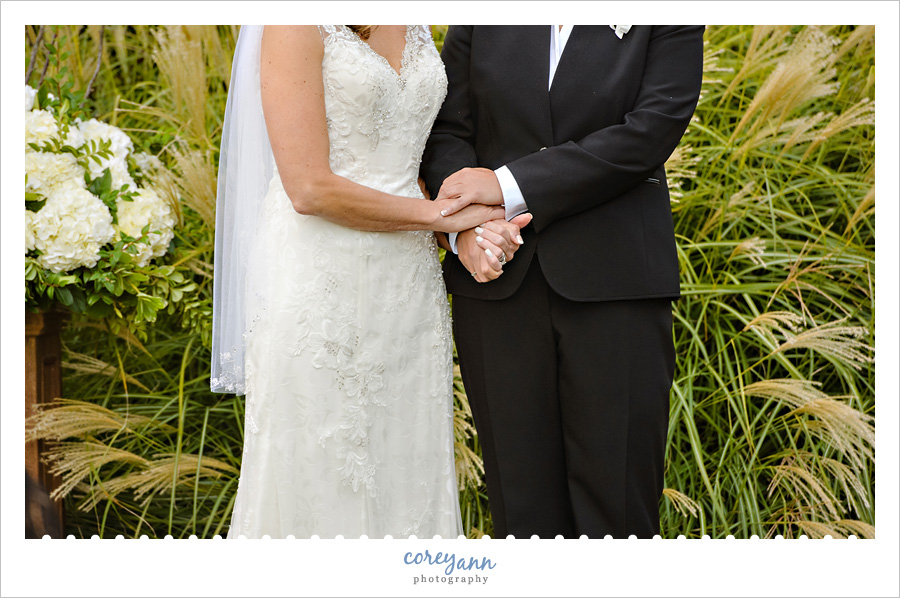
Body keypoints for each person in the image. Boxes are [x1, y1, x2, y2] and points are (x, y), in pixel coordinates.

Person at [210, 25, 509, 539]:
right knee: (322, 471)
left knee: (407, 469)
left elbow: (408, 157)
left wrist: (464, 233)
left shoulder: (413, 21)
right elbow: (308, 188)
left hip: (408, 288)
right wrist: (441, 217)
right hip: (320, 283)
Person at [421, 25, 705, 539]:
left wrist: (508, 186)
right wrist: (471, 228)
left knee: (617, 513)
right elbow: (446, 127)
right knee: (520, 513)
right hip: (498, 282)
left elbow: (653, 127)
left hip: (616, 289)